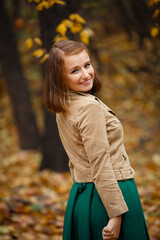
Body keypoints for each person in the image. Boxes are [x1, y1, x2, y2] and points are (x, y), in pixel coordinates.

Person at [43, 40, 150, 240]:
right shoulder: (88, 108)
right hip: (111, 197)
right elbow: (100, 164)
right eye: (74, 71)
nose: (85, 74)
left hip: (83, 195)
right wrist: (116, 214)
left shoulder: (64, 105)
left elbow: (77, 157)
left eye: (87, 65)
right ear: (59, 77)